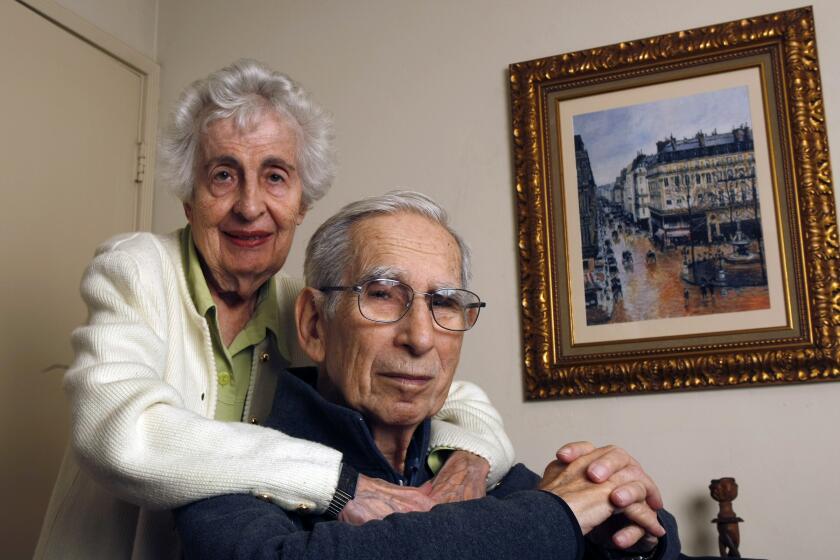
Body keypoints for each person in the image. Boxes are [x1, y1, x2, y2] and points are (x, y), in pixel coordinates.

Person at [35, 62, 514, 559]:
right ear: (189, 199)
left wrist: (472, 457)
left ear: (302, 203)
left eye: (275, 177)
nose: (249, 205)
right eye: (223, 175)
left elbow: (436, 384)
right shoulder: (137, 270)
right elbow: (115, 432)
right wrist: (340, 484)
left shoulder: (303, 305)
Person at [175, 191, 693, 559]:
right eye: (381, 295)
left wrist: (634, 532)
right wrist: (553, 518)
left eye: (445, 302)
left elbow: (621, 527)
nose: (421, 338)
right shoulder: (228, 473)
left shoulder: (475, 465)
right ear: (314, 324)